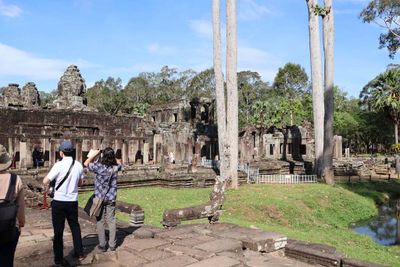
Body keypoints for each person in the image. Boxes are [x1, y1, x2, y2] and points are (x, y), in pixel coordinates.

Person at [42, 140, 85, 266]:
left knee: (58, 230)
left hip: (59, 201)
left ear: (61, 153)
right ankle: (80, 252)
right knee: (75, 227)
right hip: (72, 201)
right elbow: (81, 183)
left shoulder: (58, 165)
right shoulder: (78, 165)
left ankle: (59, 258)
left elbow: (45, 181)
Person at [84, 148, 122, 252]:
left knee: (100, 221)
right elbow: (119, 162)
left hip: (100, 198)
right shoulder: (115, 167)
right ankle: (112, 245)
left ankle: (102, 245)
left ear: (103, 156)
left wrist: (94, 154)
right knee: (111, 220)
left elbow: (86, 163)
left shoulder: (98, 166)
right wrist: (112, 156)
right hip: (111, 198)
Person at [0, 144, 25, 267]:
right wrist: (21, 223)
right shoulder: (16, 179)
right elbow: (20, 207)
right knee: (7, 260)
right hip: (9, 227)